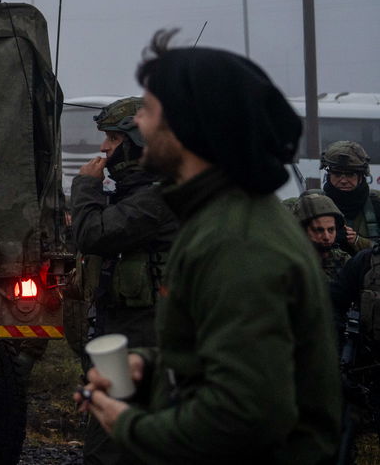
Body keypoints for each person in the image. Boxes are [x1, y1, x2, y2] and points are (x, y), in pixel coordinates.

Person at [76, 30, 340, 465]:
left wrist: (129, 426)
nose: (140, 124)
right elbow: (226, 358)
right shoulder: (218, 215)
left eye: (151, 111)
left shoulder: (238, 242)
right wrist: (150, 366)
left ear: (186, 126)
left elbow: (243, 417)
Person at [69, 96, 177, 465]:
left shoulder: (162, 195)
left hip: (145, 335)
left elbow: (94, 234)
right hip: (128, 330)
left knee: (112, 439)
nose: (103, 148)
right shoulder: (138, 193)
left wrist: (85, 188)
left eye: (113, 139)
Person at [318, 141, 379, 253]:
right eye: (337, 174)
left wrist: (357, 241)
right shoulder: (314, 203)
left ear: (361, 175)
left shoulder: (376, 203)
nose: (343, 181)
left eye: (350, 174)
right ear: (329, 174)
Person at [291, 191, 350, 283]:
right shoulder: (289, 262)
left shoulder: (342, 260)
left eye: (331, 230)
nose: (326, 237)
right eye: (318, 230)